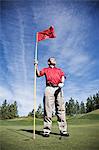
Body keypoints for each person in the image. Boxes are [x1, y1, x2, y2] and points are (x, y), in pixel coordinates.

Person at [35, 57, 69, 137]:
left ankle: (63, 130)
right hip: (49, 88)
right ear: (48, 62)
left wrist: (62, 83)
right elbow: (38, 74)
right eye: (52, 59)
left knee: (61, 109)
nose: (54, 60)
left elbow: (63, 77)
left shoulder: (59, 70)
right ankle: (46, 130)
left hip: (58, 88)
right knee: (48, 110)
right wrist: (36, 66)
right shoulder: (46, 69)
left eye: (55, 59)